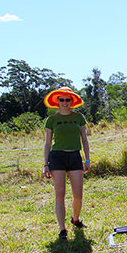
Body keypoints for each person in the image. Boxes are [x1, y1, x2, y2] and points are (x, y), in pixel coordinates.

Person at [42, 87, 91, 240]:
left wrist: (87, 159)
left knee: (78, 195)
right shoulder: (52, 119)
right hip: (57, 157)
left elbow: (84, 139)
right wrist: (45, 164)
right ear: (57, 101)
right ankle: (62, 229)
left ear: (72, 101)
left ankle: (75, 219)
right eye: (61, 100)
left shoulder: (79, 117)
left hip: (75, 156)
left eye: (67, 99)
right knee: (60, 194)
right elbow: (47, 143)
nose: (64, 102)